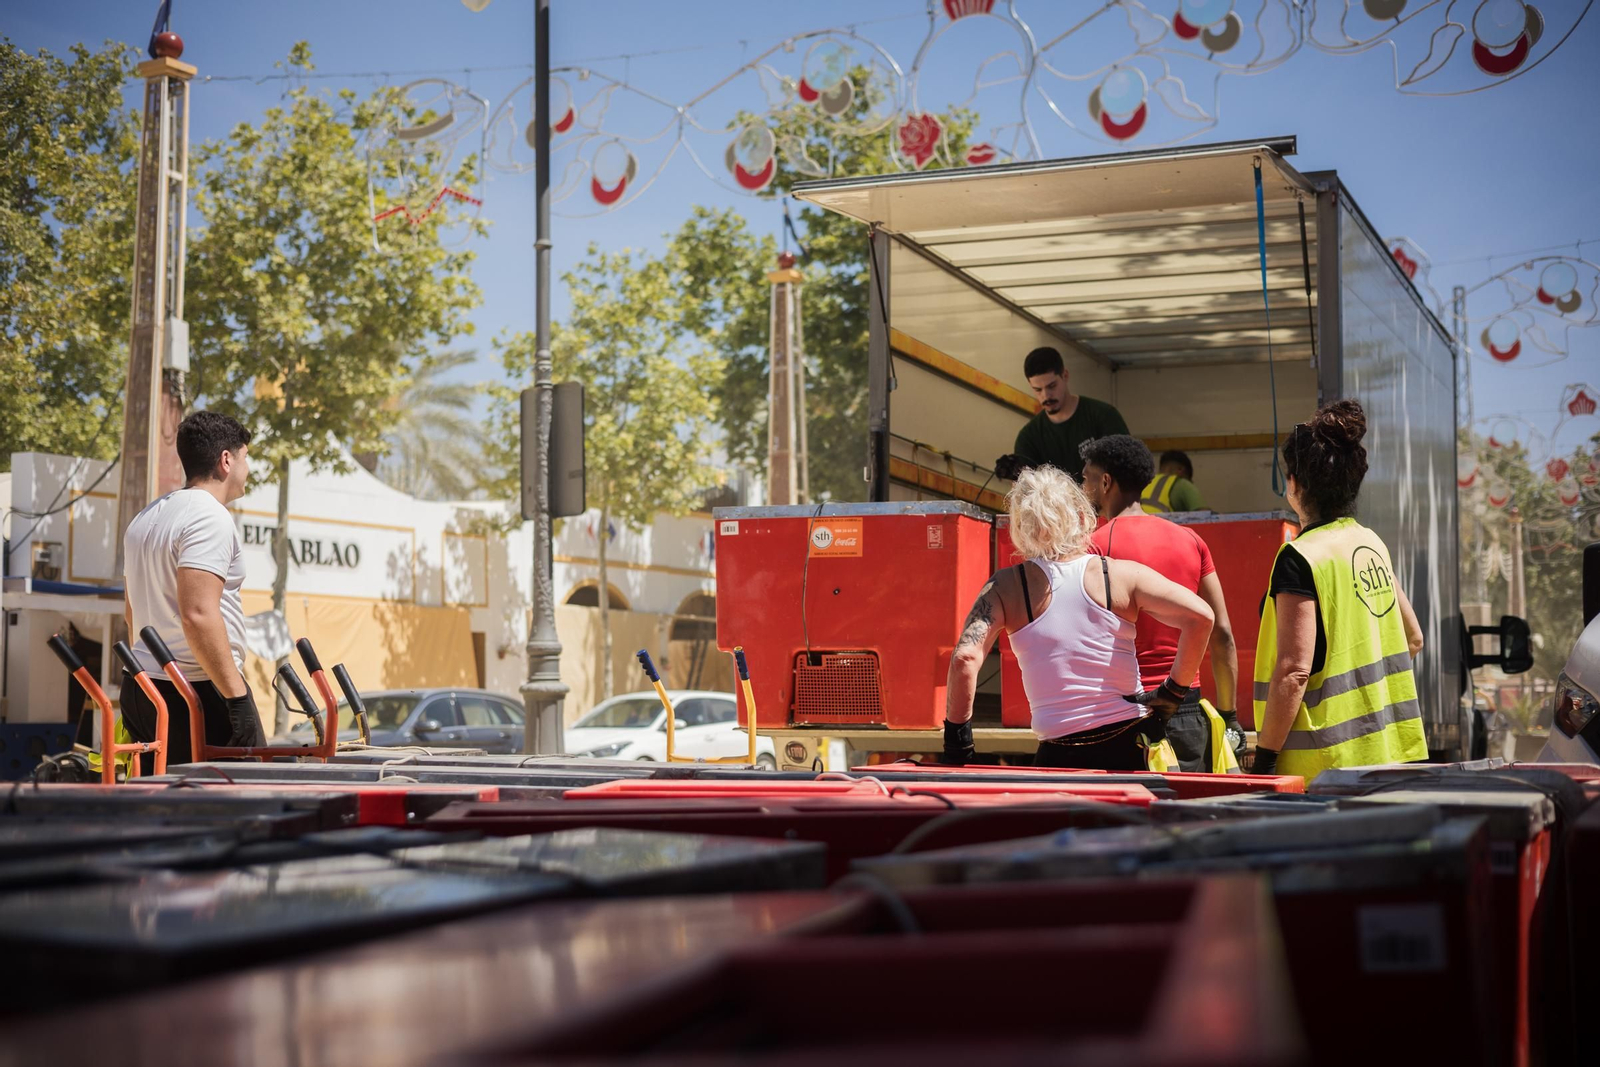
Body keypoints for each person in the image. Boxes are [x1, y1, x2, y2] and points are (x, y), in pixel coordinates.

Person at [942, 465, 1214, 770]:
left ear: (1019, 527)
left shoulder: (1005, 586)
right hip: (1129, 747)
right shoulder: (1119, 574)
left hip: (1058, 751)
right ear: (1082, 516)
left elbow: (965, 658)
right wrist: (1174, 691)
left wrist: (958, 745)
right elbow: (1201, 617)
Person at [1251, 400, 1427, 780]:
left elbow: (1294, 671)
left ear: (1294, 485)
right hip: (1388, 756)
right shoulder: (1370, 543)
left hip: (1322, 769)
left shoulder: (1300, 557)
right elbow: (1413, 638)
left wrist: (1264, 759)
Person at [1080, 435, 1244, 770]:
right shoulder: (1191, 540)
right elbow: (1222, 633)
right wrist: (1229, 717)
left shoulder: (1092, 548)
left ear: (1106, 482)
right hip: (1187, 709)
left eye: (1086, 478)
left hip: (1124, 715)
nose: (1083, 488)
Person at [121, 410, 266, 766]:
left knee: (165, 809)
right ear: (226, 460)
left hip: (143, 687)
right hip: (195, 692)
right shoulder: (209, 516)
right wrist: (237, 698)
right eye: (246, 458)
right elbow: (198, 614)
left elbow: (131, 612)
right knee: (248, 802)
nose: (249, 470)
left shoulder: (148, 516)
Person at [994, 346, 1128, 483]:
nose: (1046, 395)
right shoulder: (1029, 438)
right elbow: (1027, 495)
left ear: (1065, 376)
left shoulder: (1103, 417)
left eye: (1051, 386)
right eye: (1038, 390)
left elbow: (1127, 473)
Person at [1141, 450, 1205, 513]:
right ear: (1180, 470)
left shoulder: (1143, 482)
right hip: (1160, 523)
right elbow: (1204, 515)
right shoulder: (1182, 484)